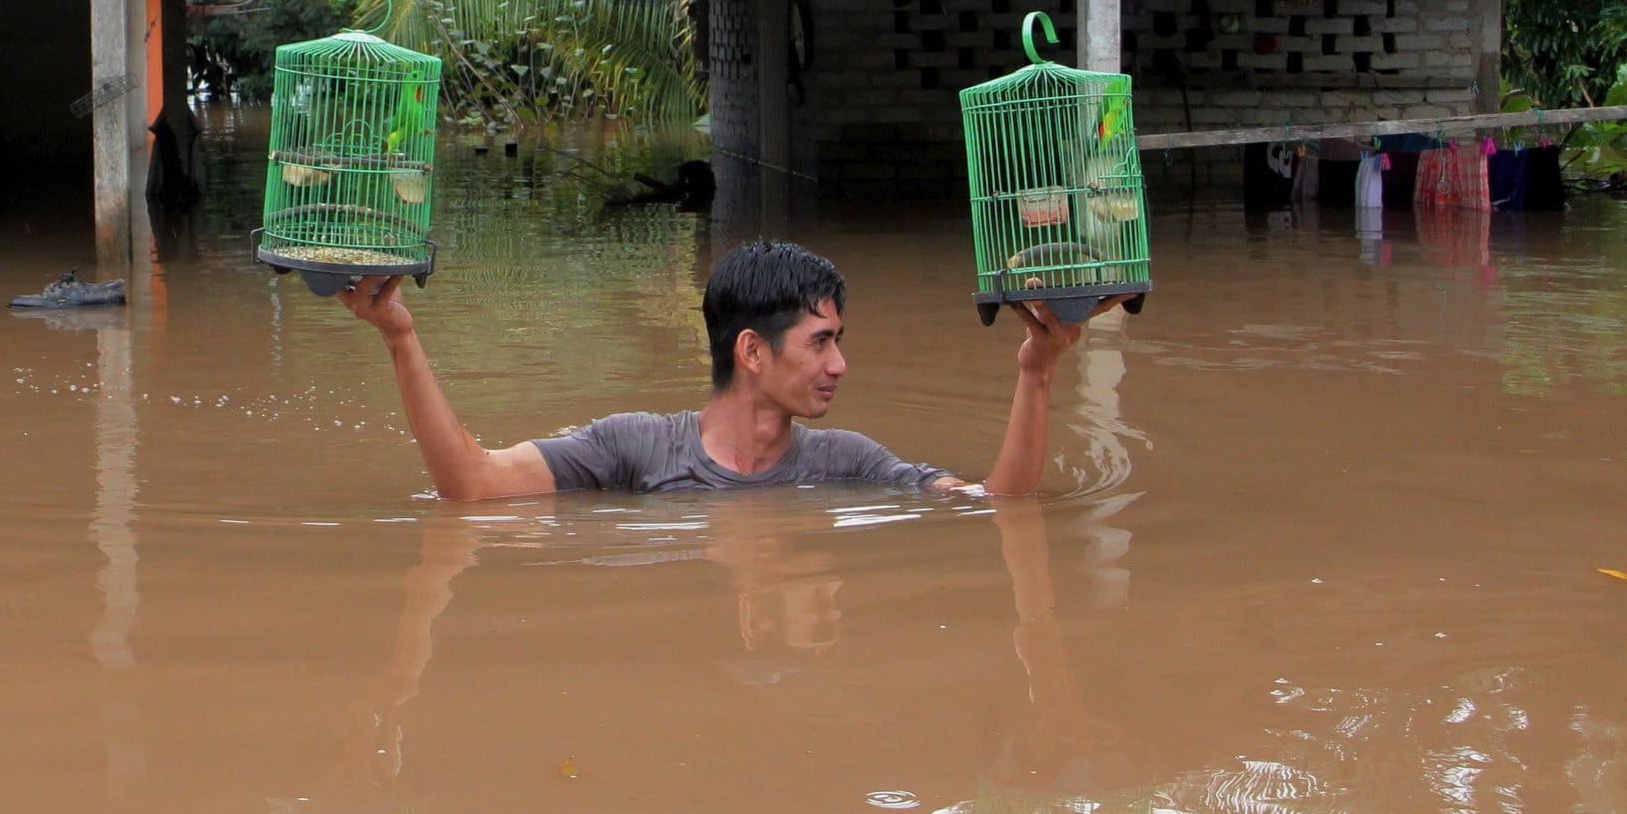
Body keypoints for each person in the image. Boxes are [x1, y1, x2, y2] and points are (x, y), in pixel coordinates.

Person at [333, 238, 1080, 504]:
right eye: (820, 343)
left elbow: (997, 506)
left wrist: (1036, 374)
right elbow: (472, 485)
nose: (840, 365)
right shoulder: (636, 449)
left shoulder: (848, 464)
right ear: (751, 352)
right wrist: (400, 337)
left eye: (838, 341)